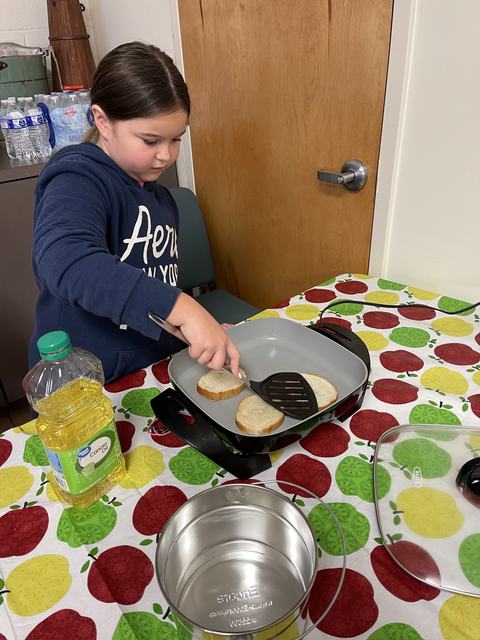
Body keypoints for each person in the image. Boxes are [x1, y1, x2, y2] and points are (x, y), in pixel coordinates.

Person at [29, 41, 240, 382]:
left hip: (152, 367)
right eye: (150, 140)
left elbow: (152, 289)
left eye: (176, 139)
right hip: (92, 382)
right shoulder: (76, 177)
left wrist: (196, 331)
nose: (167, 155)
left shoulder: (160, 199)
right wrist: (183, 308)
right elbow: (67, 260)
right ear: (103, 120)